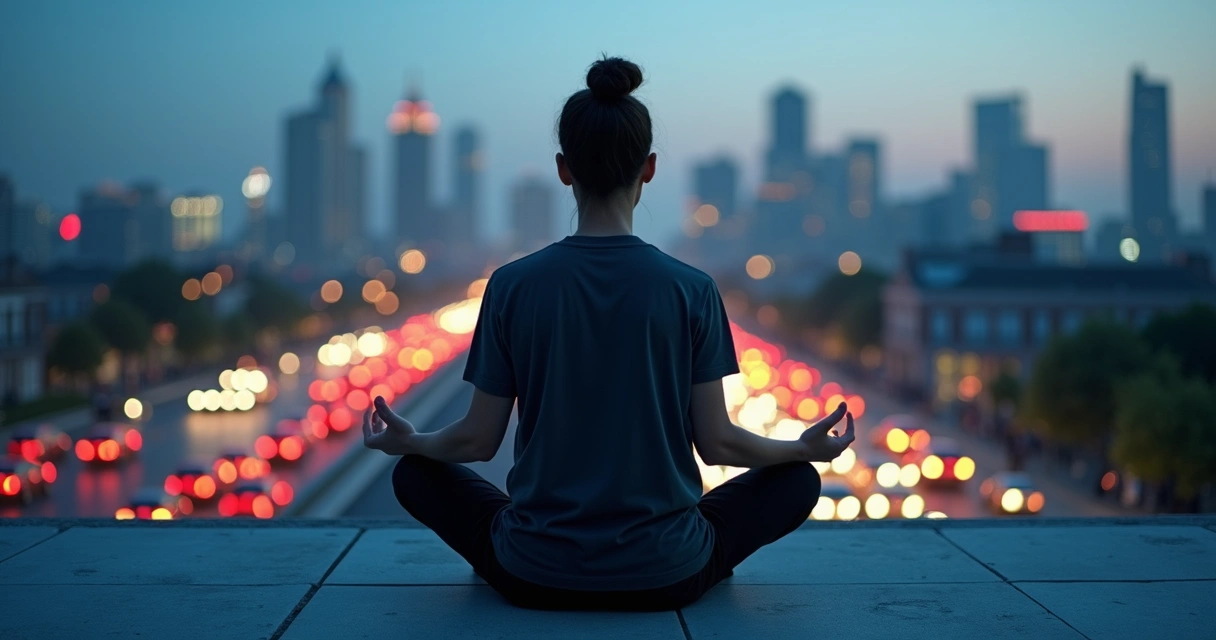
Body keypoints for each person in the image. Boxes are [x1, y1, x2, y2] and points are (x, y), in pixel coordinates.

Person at [362, 56, 855, 612]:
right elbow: (719, 444)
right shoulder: (691, 289)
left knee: (415, 475)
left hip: (532, 573)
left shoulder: (511, 286)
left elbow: (476, 442)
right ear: (649, 168)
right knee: (797, 482)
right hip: (666, 575)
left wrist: (410, 441)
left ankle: (529, 548)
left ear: (563, 169)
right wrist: (803, 448)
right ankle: (674, 552)